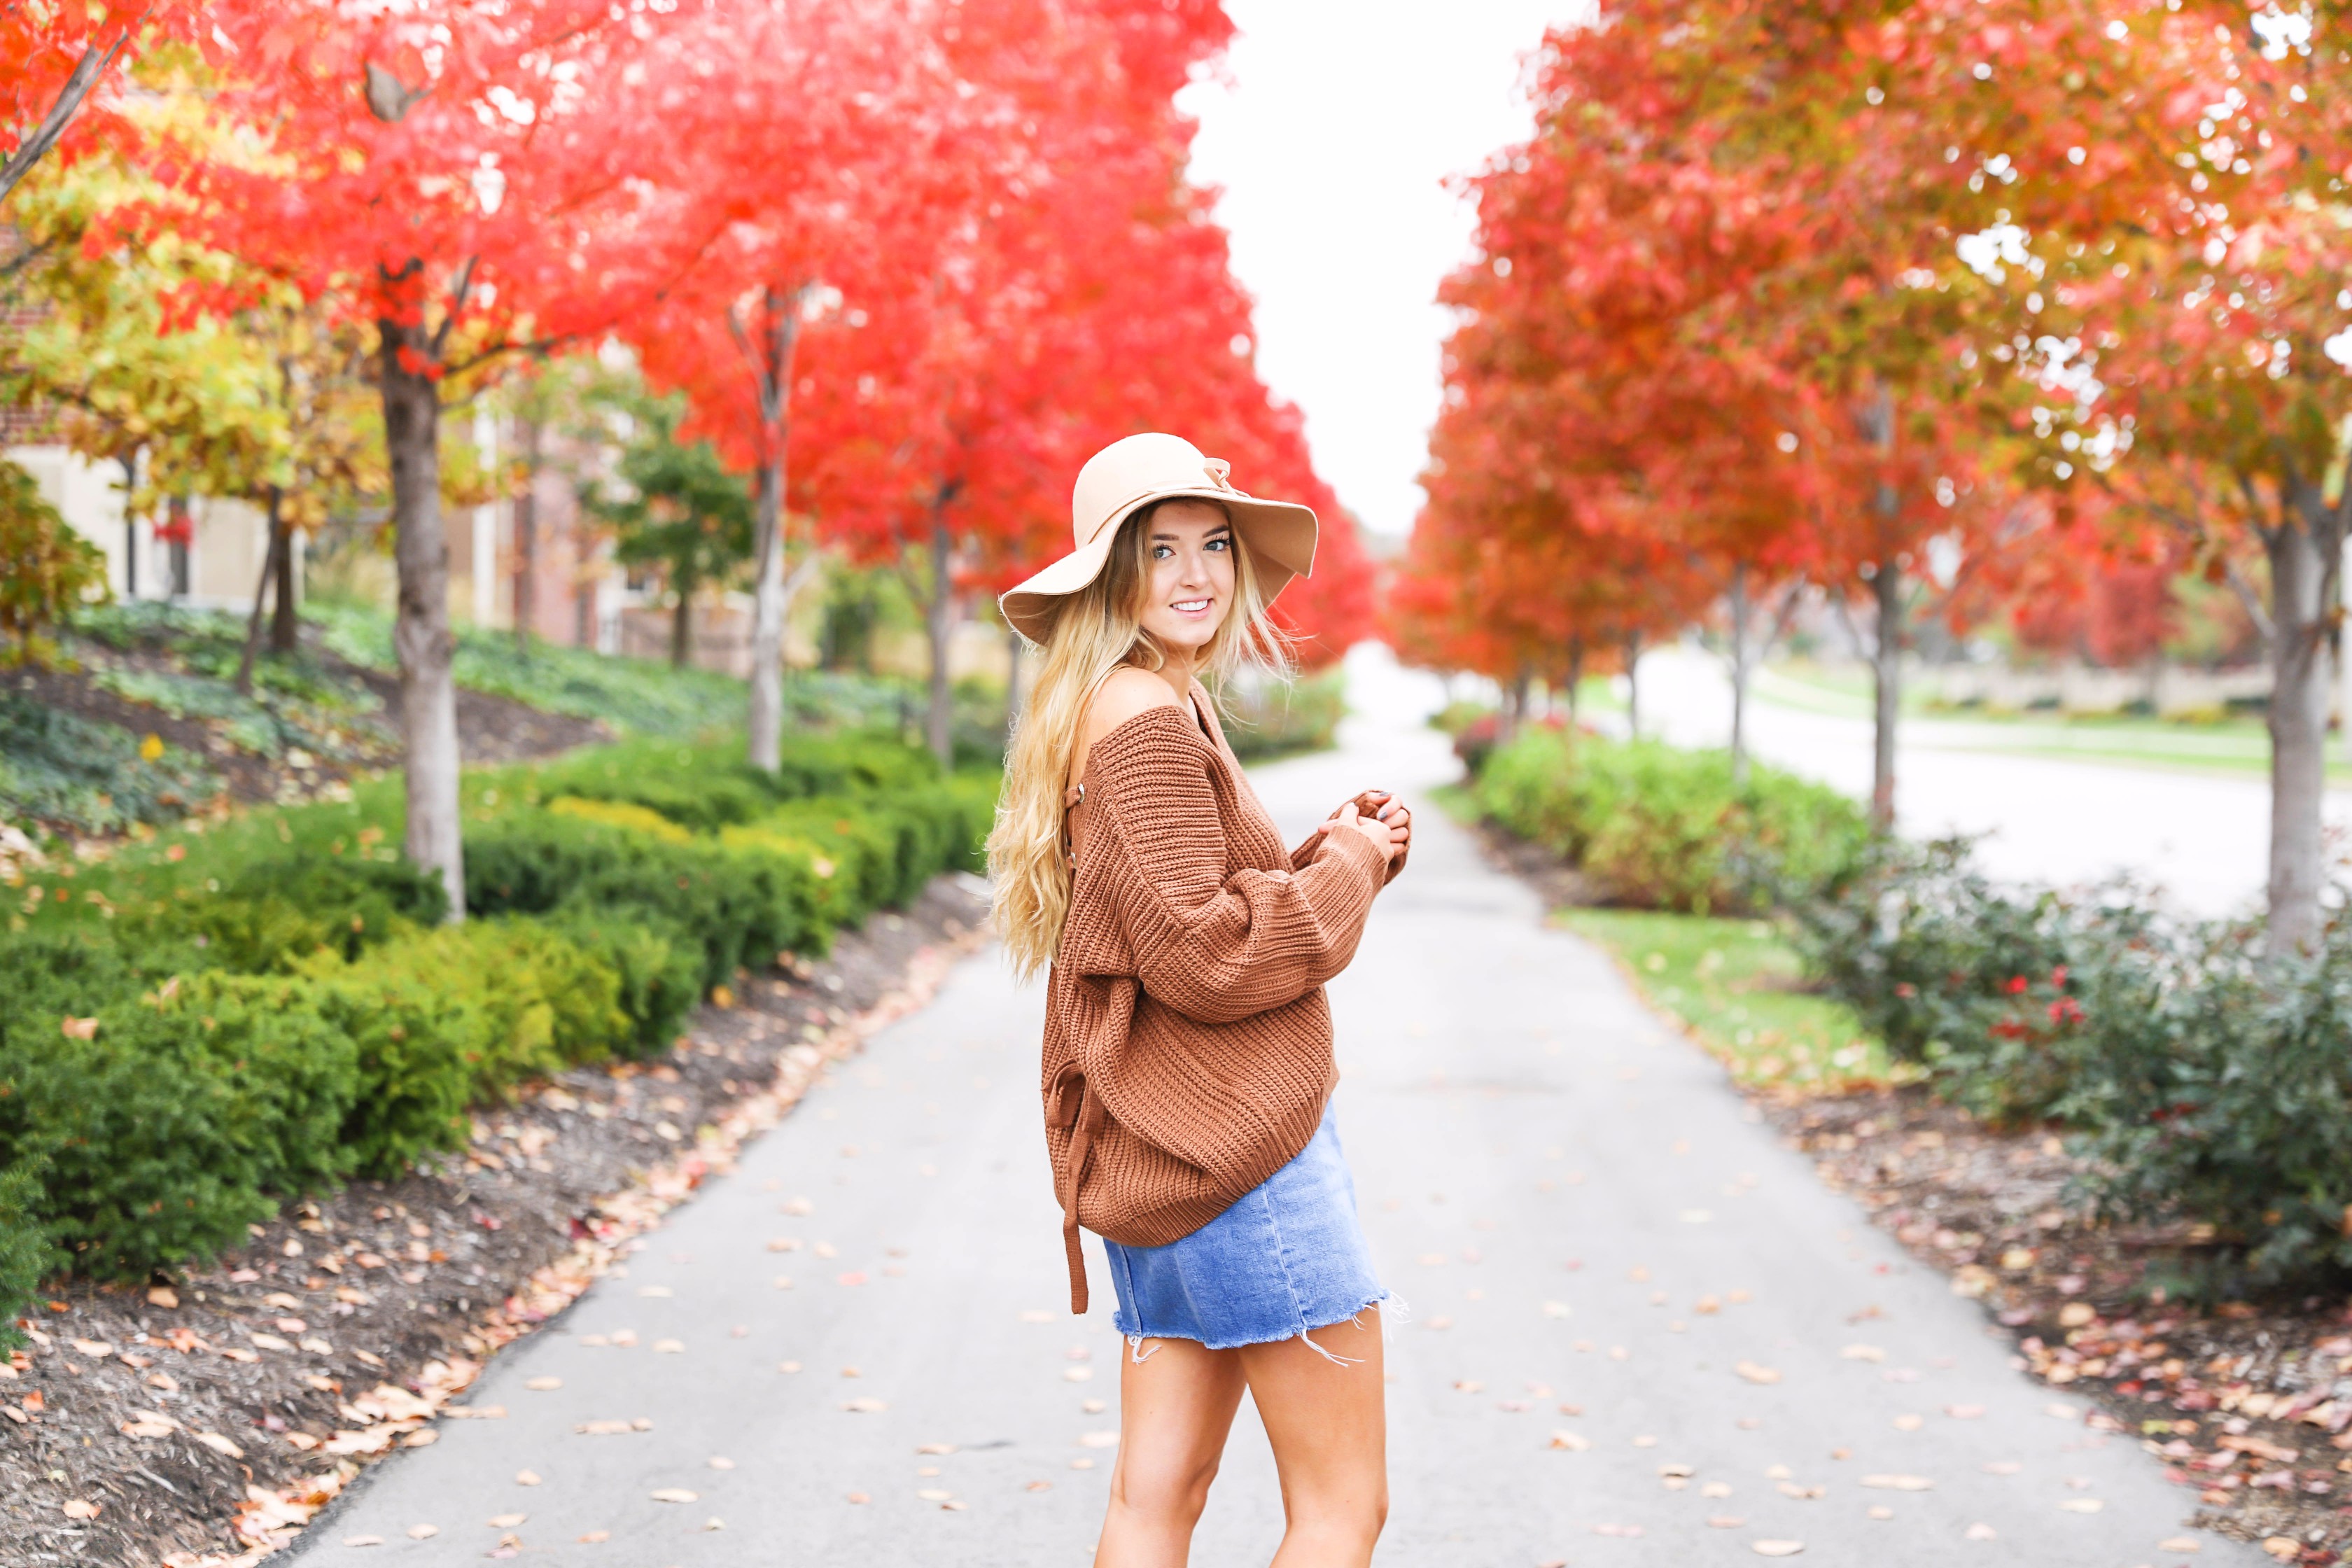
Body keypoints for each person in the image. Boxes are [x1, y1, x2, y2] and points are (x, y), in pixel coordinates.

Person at [988, 433, 1412, 1568]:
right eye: (1158, 548)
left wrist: (1331, 848)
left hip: (1171, 1160)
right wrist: (1353, 869)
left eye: (1214, 544)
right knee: (1340, 1509)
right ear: (1109, 573)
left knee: (1155, 1499)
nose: (1196, 573)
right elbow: (1208, 957)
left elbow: (1178, 909)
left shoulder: (1133, 700)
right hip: (1245, 1164)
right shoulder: (1145, 725)